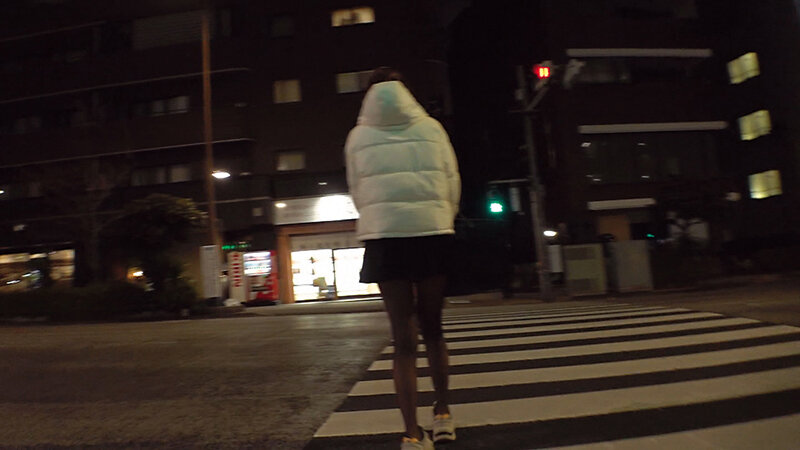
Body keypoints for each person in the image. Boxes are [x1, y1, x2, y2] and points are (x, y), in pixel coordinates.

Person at [345, 67, 461, 450]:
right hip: (431, 233)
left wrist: (381, 217)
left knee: (403, 339)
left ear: (368, 94)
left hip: (386, 239)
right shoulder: (432, 129)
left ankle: (412, 434)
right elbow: (451, 180)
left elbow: (357, 190)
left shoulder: (358, 136)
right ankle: (443, 415)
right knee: (433, 329)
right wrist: (442, 217)